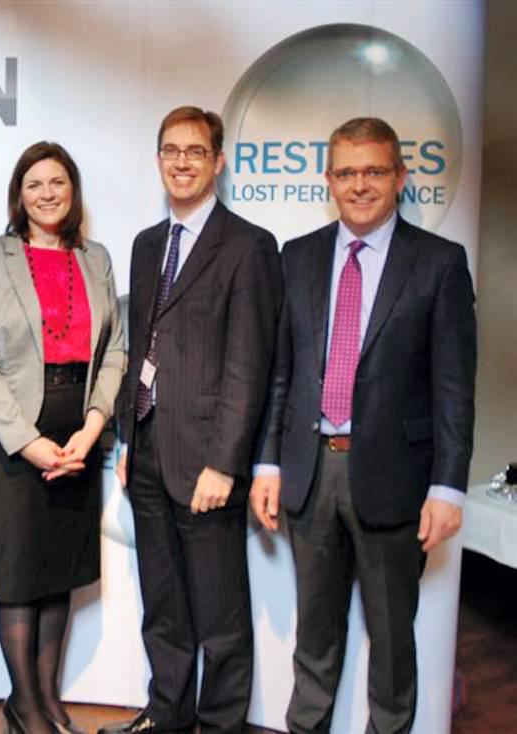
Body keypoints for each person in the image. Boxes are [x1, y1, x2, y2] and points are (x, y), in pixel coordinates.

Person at [249, 117, 475, 734]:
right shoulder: (297, 257)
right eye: (346, 172)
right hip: (310, 473)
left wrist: (448, 487)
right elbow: (282, 374)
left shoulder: (439, 263)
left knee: (392, 641)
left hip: (396, 481)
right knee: (314, 635)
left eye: (374, 170)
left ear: (399, 176)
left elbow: (454, 387)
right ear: (329, 179)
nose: (359, 185)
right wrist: (268, 462)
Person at [107, 106, 283, 734]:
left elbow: (249, 365)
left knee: (220, 616)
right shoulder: (147, 244)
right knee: (163, 605)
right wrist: (128, 439)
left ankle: (220, 725)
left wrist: (225, 463)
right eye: (171, 151)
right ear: (159, 159)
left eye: (195, 151)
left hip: (208, 460)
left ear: (218, 161)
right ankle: (167, 714)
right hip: (148, 451)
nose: (181, 162)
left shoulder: (249, 246)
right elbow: (142, 347)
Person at [0, 141, 125, 734]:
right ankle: (25, 705)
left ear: (73, 191)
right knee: (20, 574)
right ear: (19, 195)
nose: (47, 193)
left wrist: (93, 425)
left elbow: (115, 351)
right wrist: (26, 441)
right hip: (9, 440)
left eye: (58, 182)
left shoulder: (96, 258)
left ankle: (49, 699)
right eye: (34, 184)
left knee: (61, 570)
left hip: (76, 433)